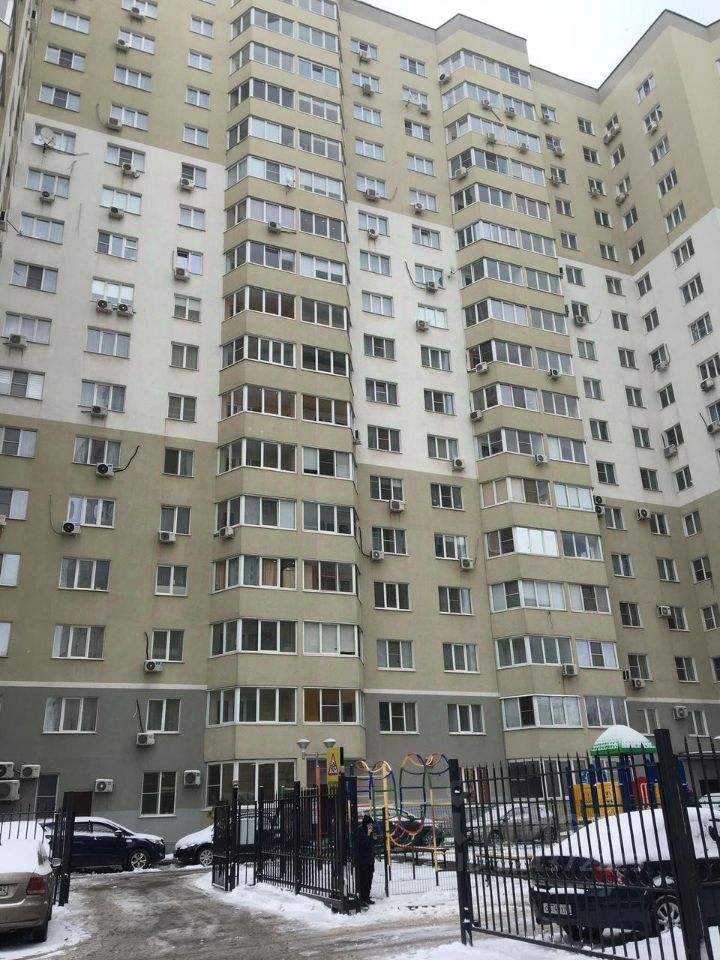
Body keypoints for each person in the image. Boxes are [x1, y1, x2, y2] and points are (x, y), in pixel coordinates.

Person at [356, 814, 375, 905]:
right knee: (363, 880)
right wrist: (368, 835)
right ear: (365, 825)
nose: (371, 827)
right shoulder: (360, 832)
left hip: (370, 860)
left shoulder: (370, 833)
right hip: (363, 861)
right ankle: (362, 897)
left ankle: (366, 896)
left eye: (372, 825)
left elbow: (372, 845)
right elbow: (363, 845)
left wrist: (373, 837)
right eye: (369, 825)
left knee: (369, 879)